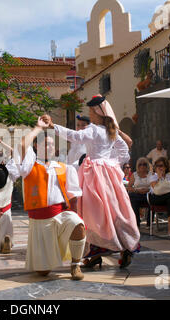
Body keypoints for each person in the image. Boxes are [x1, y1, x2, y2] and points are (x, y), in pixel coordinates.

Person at [42, 95, 140, 270]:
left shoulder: (94, 129)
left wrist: (53, 127)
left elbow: (75, 136)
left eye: (90, 111)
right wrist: (111, 162)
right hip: (109, 175)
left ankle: (95, 252)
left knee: (91, 212)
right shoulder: (111, 131)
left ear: (96, 112)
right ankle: (121, 246)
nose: (88, 114)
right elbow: (124, 150)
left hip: (93, 175)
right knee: (114, 210)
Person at [16, 120, 86, 281]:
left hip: (60, 214)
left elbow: (73, 196)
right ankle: (47, 261)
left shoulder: (64, 167)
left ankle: (76, 265)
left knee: (79, 226)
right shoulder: (28, 166)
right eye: (44, 144)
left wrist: (74, 219)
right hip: (40, 221)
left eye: (51, 144)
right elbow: (21, 145)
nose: (48, 147)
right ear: (36, 147)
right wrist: (38, 128)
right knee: (42, 273)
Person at [127, 157, 153, 228]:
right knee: (132, 197)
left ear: (147, 165)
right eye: (140, 164)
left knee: (153, 198)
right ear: (137, 166)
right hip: (137, 194)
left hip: (148, 194)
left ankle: (149, 223)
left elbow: (155, 186)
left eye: (144, 164)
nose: (142, 166)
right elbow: (129, 187)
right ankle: (136, 223)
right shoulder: (134, 175)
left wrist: (147, 190)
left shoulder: (151, 174)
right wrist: (137, 190)